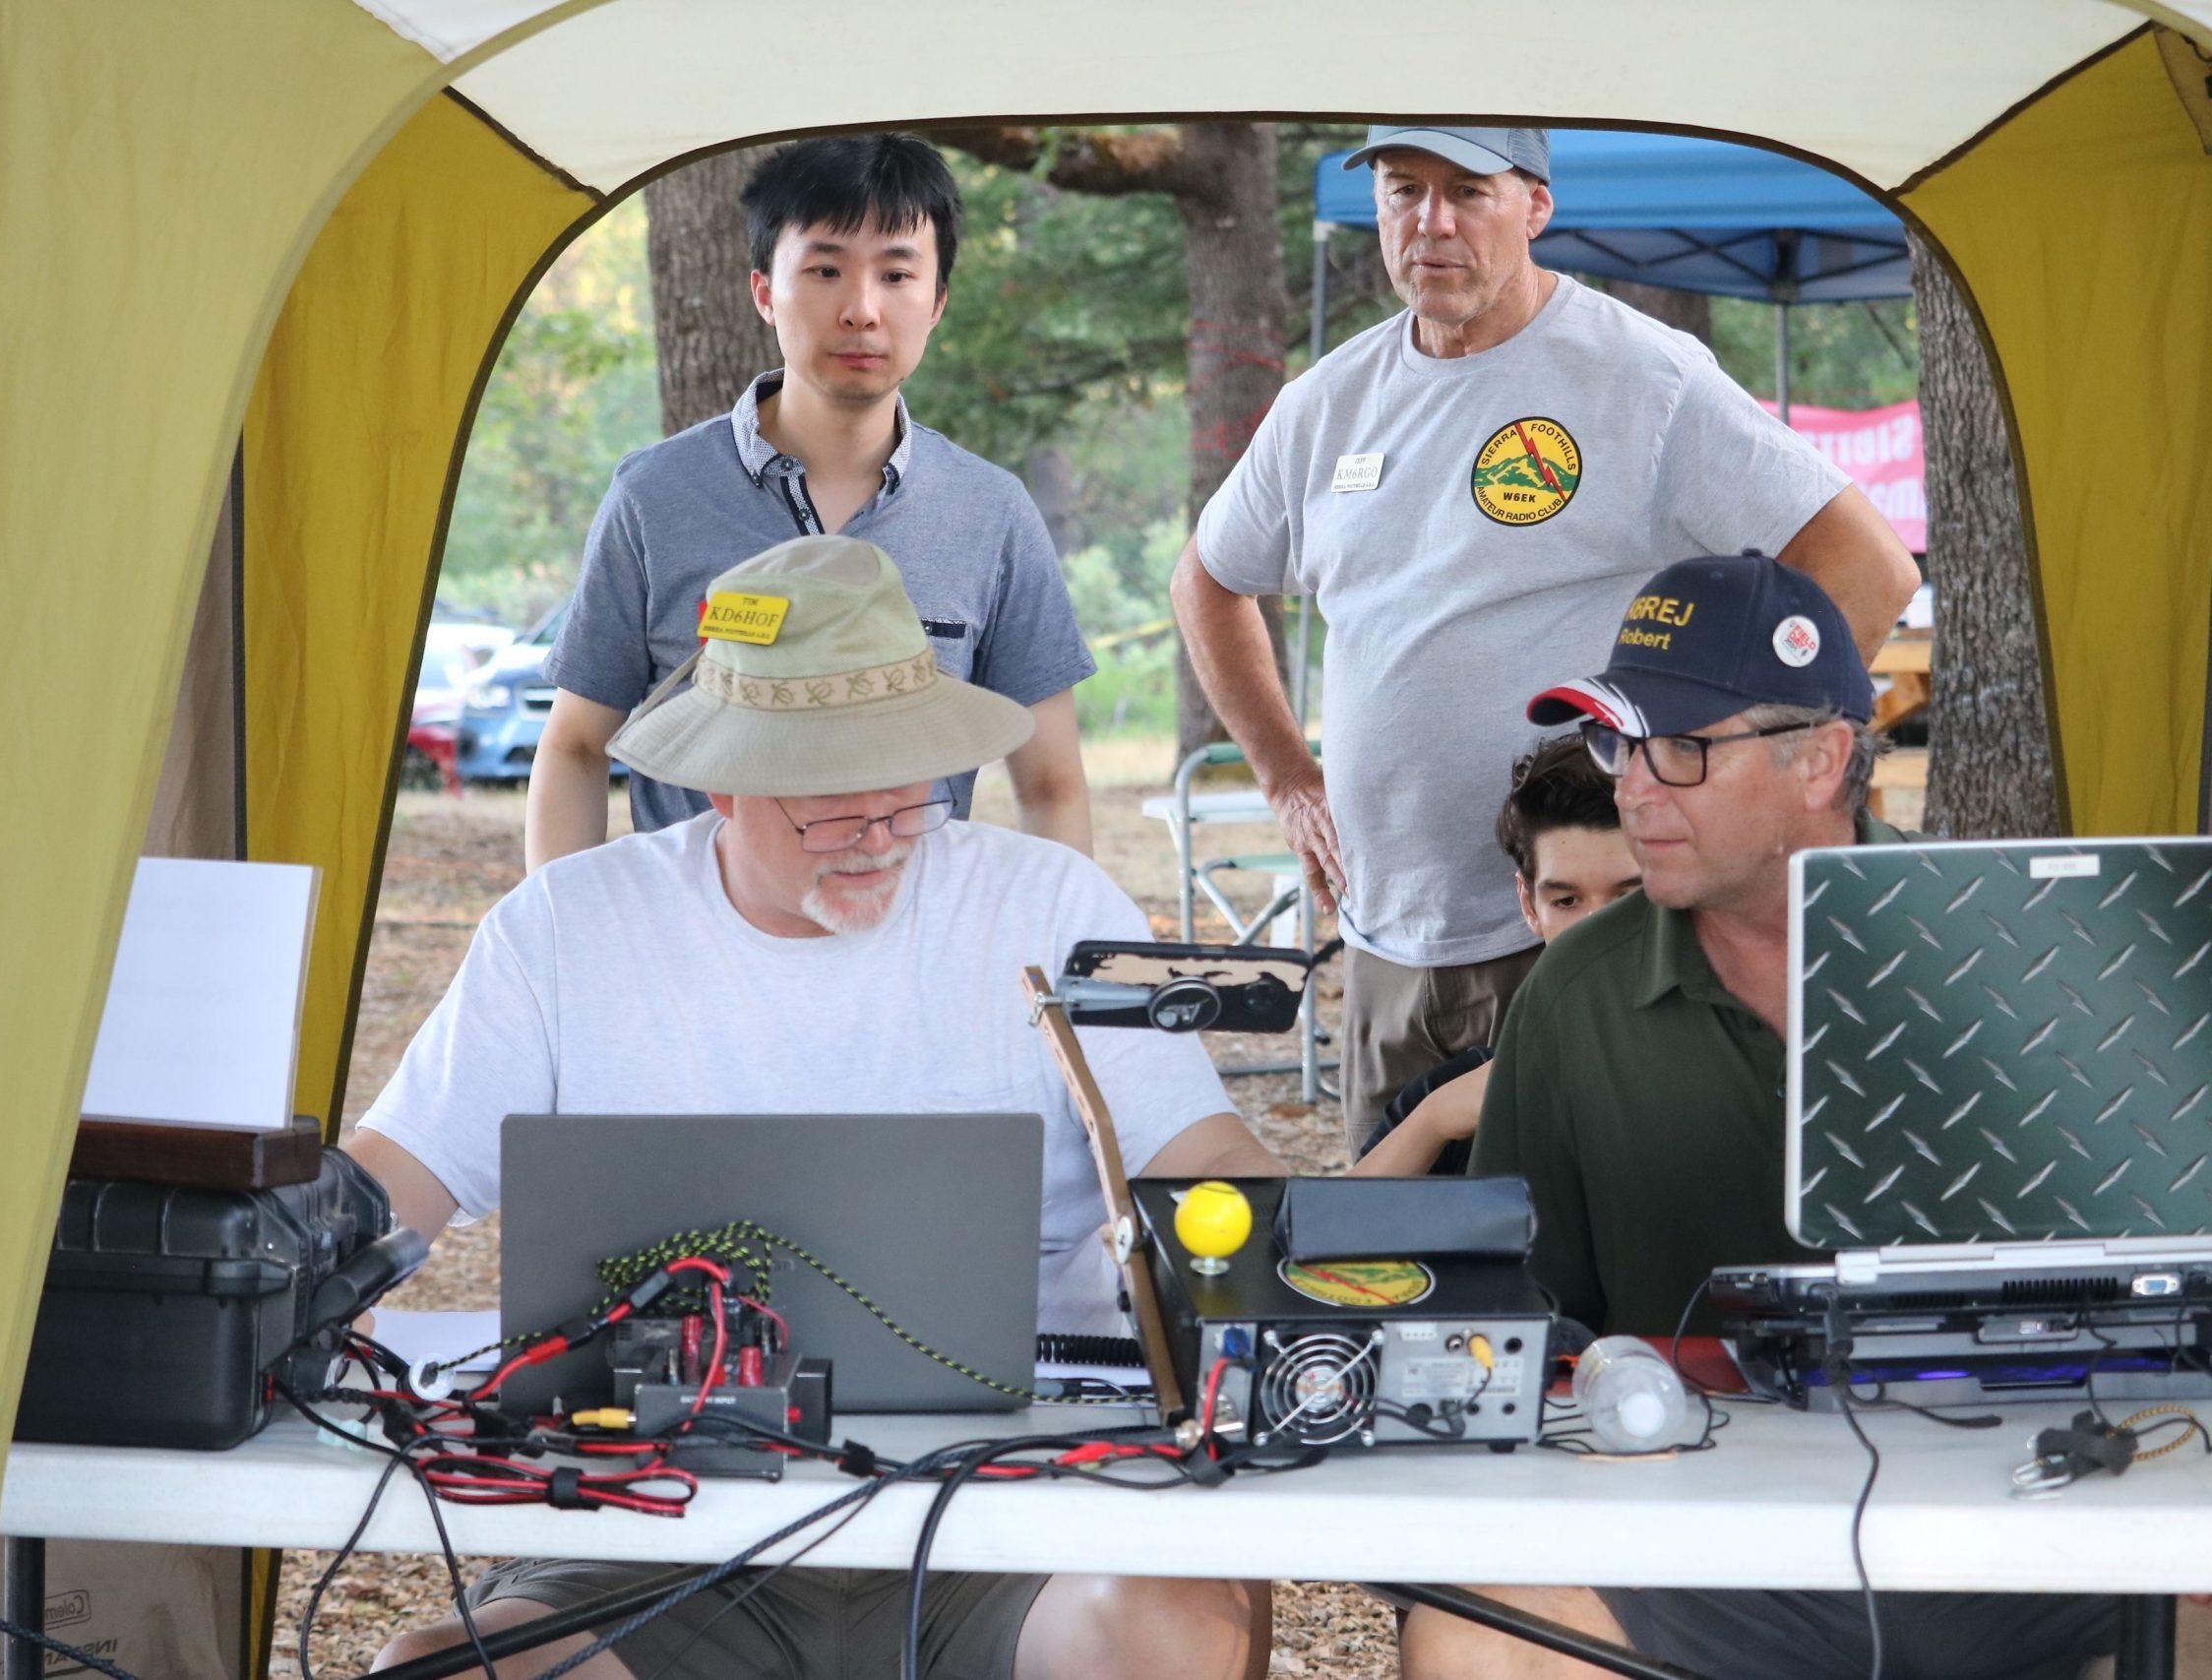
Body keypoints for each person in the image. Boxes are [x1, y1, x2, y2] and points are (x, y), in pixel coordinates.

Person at [353, 535, 1283, 1680]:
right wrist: (271, 1280)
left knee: (1175, 1633)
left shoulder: (1047, 907)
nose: (882, 842)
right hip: (655, 1520)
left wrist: (1302, 1252)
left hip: (1020, 1506)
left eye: (910, 800)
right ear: (721, 783)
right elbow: (391, 1184)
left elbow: (1204, 1160)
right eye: (835, 815)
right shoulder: (568, 929)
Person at [1400, 553, 2118, 1680]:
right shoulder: (1576, 995)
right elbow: (1526, 1314)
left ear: (1820, 759)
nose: (1635, 790)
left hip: (2032, 1516)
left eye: (1682, 749)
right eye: (1619, 745)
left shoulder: (2017, 951)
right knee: (1473, 1643)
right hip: (1702, 1533)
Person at [1171, 123, 1919, 1159]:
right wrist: (1288, 777)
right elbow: (1206, 581)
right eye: (1402, 189)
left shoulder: (1640, 378)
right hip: (1388, 938)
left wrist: (1716, 775)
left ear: (1536, 206)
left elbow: (1868, 569)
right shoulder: (1326, 405)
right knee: (1396, 1243)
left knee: (1583, 1245)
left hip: (1585, 933)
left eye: (1468, 191)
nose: (1431, 222)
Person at [526, 133, 1096, 872]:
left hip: (908, 925)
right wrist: (563, 923)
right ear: (764, 291)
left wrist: (1054, 934)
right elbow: (576, 746)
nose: (861, 310)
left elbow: (1051, 785)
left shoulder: (990, 513)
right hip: (697, 933)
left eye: (897, 275)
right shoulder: (655, 496)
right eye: (825, 270)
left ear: (937, 302)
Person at [1347, 732, 1636, 1179]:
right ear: (1529, 906)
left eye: (1629, 897)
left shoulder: (1739, 1059)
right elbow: (1340, 1219)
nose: (1595, 929)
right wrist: (1432, 1122)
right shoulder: (1453, 1094)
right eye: (1566, 901)